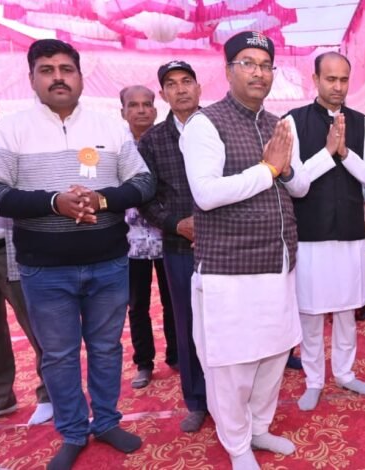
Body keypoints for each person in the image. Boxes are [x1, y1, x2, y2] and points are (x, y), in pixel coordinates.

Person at [0, 39, 154, 469]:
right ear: (32, 78)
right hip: (44, 270)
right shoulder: (10, 131)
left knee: (107, 348)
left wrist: (102, 200)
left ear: (79, 76)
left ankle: (107, 421)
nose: (58, 77)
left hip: (108, 263)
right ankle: (74, 431)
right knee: (58, 356)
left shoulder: (109, 126)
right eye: (47, 70)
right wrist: (53, 202)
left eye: (66, 69)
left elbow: (143, 182)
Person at [180, 31, 307, 469]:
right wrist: (268, 169)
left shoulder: (279, 124)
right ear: (228, 70)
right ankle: (237, 446)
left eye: (266, 65)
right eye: (248, 63)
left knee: (274, 354)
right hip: (229, 270)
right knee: (231, 367)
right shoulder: (205, 124)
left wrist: (284, 170)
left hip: (277, 263)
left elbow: (301, 186)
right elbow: (206, 194)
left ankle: (259, 429)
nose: (259, 72)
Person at [283, 52, 365, 411]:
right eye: (330, 79)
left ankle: (344, 373)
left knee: (346, 312)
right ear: (315, 80)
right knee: (310, 314)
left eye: (343, 79)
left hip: (350, 233)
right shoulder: (293, 121)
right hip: (310, 235)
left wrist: (346, 154)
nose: (338, 87)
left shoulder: (362, 123)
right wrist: (327, 153)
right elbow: (296, 184)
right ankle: (314, 381)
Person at [137, 60, 209, 432]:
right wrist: (176, 225)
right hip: (179, 247)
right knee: (188, 323)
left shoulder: (219, 126)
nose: (180, 89)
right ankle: (197, 400)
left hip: (226, 244)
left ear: (199, 87)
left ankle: (234, 396)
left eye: (187, 81)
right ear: (163, 94)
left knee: (229, 322)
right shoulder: (151, 141)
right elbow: (146, 198)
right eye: (171, 84)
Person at [0, 80, 54, 426]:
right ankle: (0, 395)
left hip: (11, 246)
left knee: (36, 324)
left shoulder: (11, 142)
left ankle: (49, 393)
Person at [119, 86, 178, 390]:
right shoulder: (116, 146)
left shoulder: (168, 142)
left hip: (169, 236)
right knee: (137, 305)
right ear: (123, 112)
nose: (141, 110)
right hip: (130, 242)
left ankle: (177, 355)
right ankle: (144, 363)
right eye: (134, 105)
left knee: (173, 302)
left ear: (155, 110)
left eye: (147, 104)